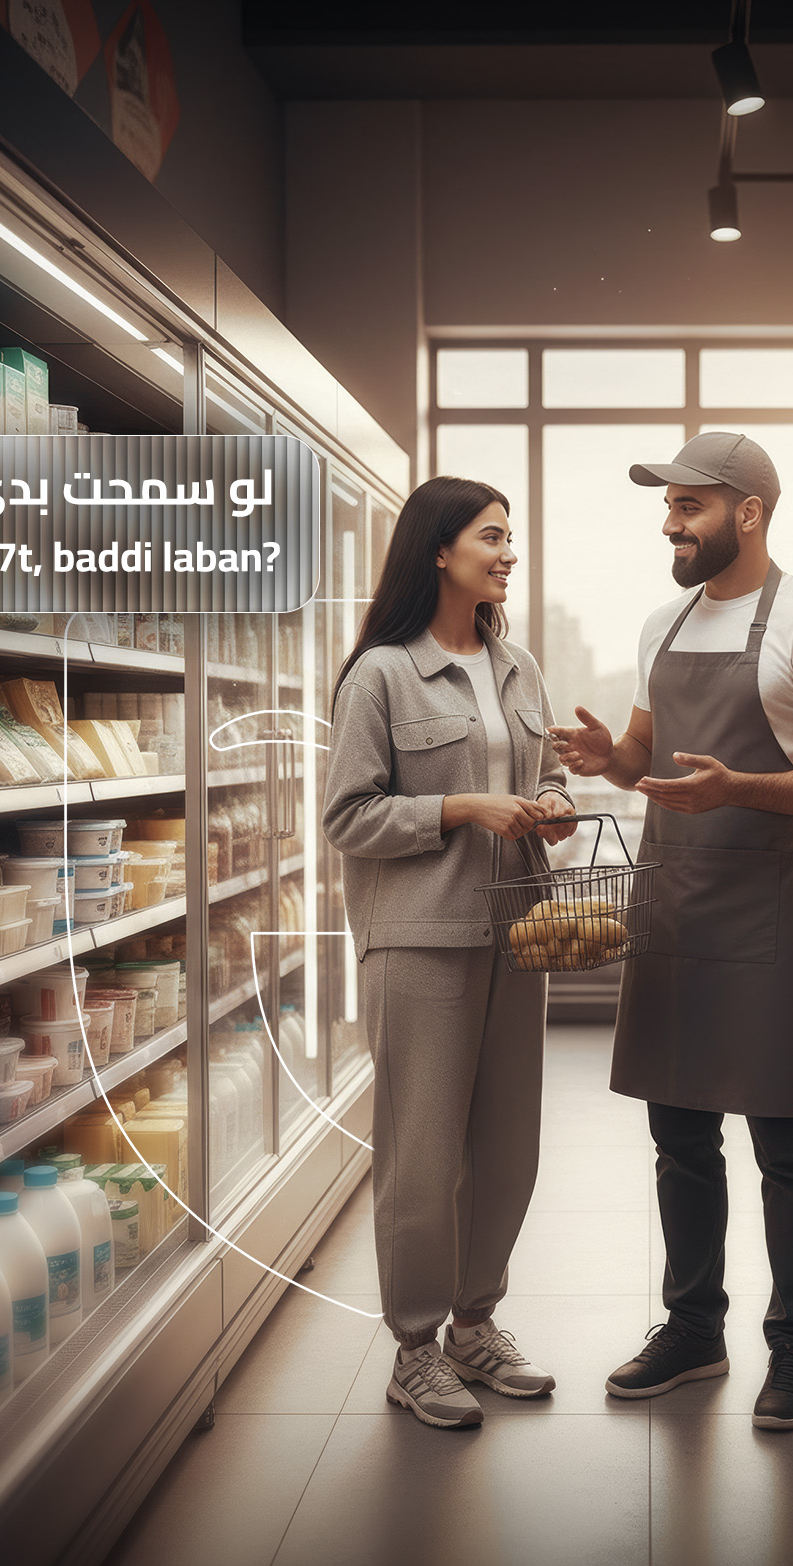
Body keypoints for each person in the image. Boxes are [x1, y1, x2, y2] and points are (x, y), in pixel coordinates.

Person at [550, 432, 793, 1430]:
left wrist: (747, 788)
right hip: (673, 903)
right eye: (668, 506)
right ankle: (693, 1329)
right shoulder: (663, 622)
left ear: (749, 511)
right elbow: (647, 759)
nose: (670, 523)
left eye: (689, 506)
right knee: (678, 1133)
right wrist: (610, 756)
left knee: (785, 1139)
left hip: (764, 911)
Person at [322, 475, 578, 1429]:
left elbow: (543, 773)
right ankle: (416, 1348)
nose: (509, 552)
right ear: (439, 549)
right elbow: (348, 816)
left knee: (509, 1147)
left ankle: (478, 1325)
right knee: (422, 1154)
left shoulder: (521, 669)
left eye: (512, 537)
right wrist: (463, 808)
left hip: (519, 927)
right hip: (420, 937)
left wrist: (549, 807)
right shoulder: (381, 674)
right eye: (492, 536)